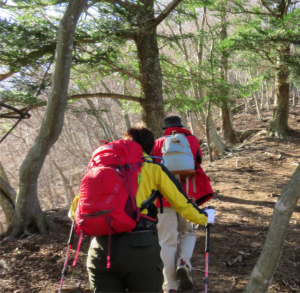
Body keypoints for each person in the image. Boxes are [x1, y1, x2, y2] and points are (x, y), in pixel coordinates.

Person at [70, 125, 214, 293]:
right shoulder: (153, 167)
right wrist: (205, 218)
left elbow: (74, 212)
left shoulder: (100, 169)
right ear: (150, 148)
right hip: (139, 247)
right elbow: (181, 203)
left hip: (99, 249)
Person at [152, 116, 214, 292]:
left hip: (163, 199)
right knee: (188, 232)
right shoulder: (192, 140)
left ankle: (170, 285)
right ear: (182, 126)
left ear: (165, 127)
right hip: (188, 197)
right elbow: (198, 161)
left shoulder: (158, 142)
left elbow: (152, 166)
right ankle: (184, 261)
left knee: (166, 242)